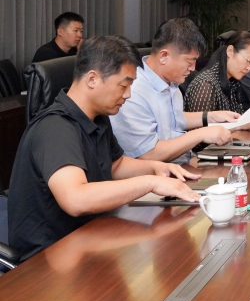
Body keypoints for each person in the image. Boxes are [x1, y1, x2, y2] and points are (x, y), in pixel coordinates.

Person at [9, 35, 201, 261]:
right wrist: (150, 182)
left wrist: (156, 168)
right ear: (92, 79)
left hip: (91, 238)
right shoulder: (55, 128)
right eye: (124, 85)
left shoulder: (98, 118)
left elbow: (114, 165)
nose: (128, 95)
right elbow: (75, 199)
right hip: (50, 260)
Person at [111, 18, 237, 164]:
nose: (193, 68)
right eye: (189, 61)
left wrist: (210, 117)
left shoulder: (171, 82)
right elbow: (148, 154)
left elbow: (171, 118)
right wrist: (200, 134)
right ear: (164, 56)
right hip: (159, 174)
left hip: (184, 163)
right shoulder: (134, 92)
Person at [184, 31, 250, 114]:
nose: (249, 68)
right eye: (248, 60)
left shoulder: (233, 82)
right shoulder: (206, 85)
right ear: (230, 51)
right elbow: (203, 122)